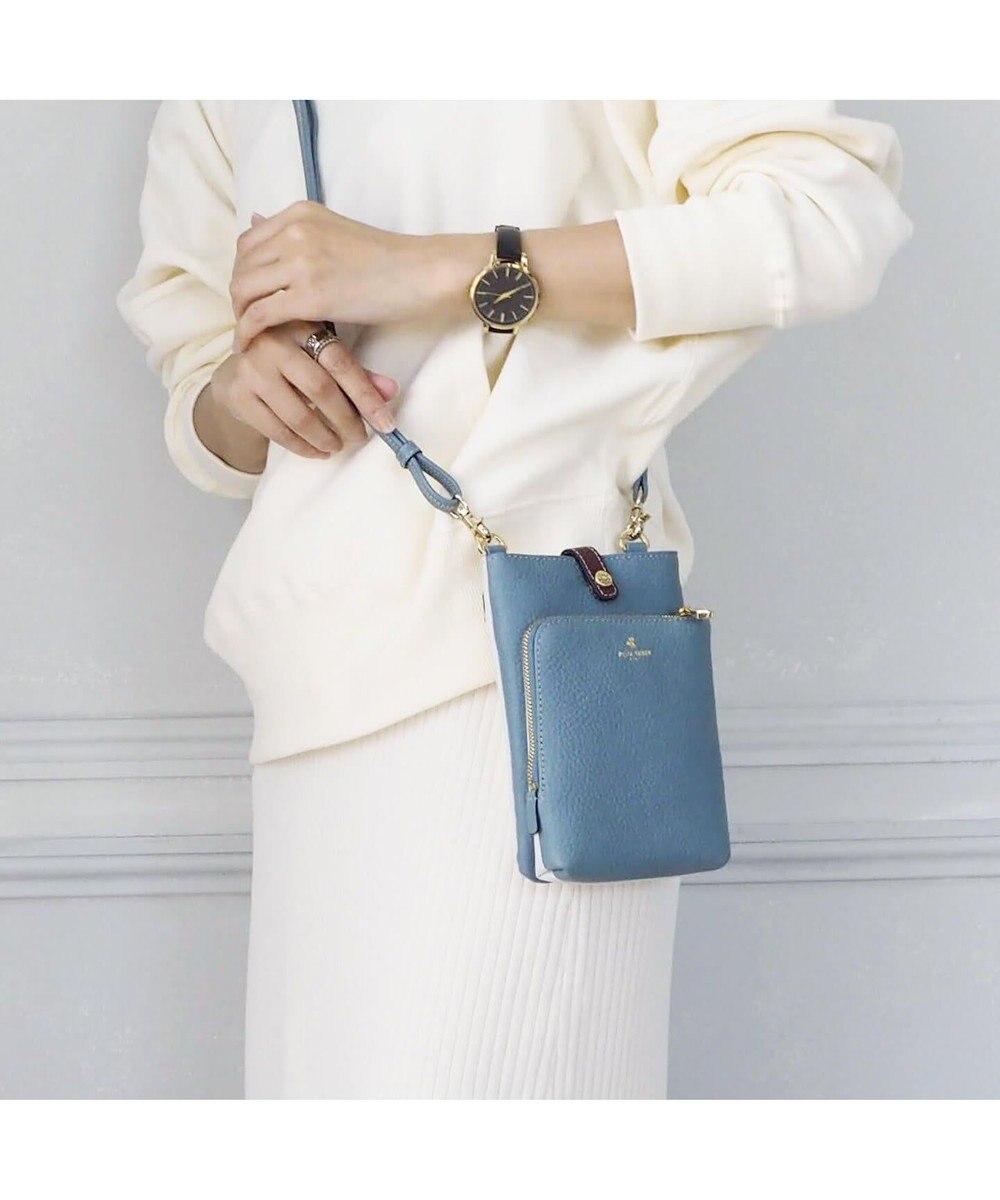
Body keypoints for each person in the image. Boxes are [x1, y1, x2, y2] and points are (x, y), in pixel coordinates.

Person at [117, 99, 913, 1099]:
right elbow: (200, 388)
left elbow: (823, 216)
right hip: (306, 668)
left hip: (532, 669)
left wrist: (434, 269)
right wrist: (248, 390)